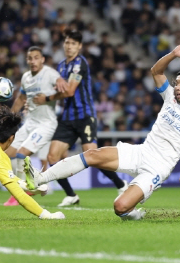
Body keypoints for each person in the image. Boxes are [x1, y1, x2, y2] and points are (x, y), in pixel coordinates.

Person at [24, 42, 180, 220]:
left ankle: (133, 213)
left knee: (120, 207)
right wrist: (173, 54)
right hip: (141, 152)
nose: (176, 87)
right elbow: (156, 71)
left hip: (158, 168)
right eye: (176, 83)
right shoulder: (170, 97)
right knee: (92, 154)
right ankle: (40, 179)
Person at [41, 30, 127, 207]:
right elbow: (61, 90)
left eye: (73, 43)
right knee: (52, 156)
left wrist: (48, 98)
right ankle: (71, 195)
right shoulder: (61, 66)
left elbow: (70, 91)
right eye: (67, 43)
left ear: (79, 46)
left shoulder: (80, 63)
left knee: (93, 156)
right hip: (67, 118)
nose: (69, 46)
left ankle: (121, 185)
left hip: (85, 116)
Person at [2, 46, 65, 206]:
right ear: (27, 60)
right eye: (30, 58)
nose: (33, 61)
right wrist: (8, 117)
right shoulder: (26, 77)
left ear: (42, 59)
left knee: (22, 154)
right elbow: (21, 99)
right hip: (29, 123)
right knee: (5, 152)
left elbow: (64, 90)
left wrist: (49, 96)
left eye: (36, 57)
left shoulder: (50, 74)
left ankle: (25, 190)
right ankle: (32, 185)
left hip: (46, 124)